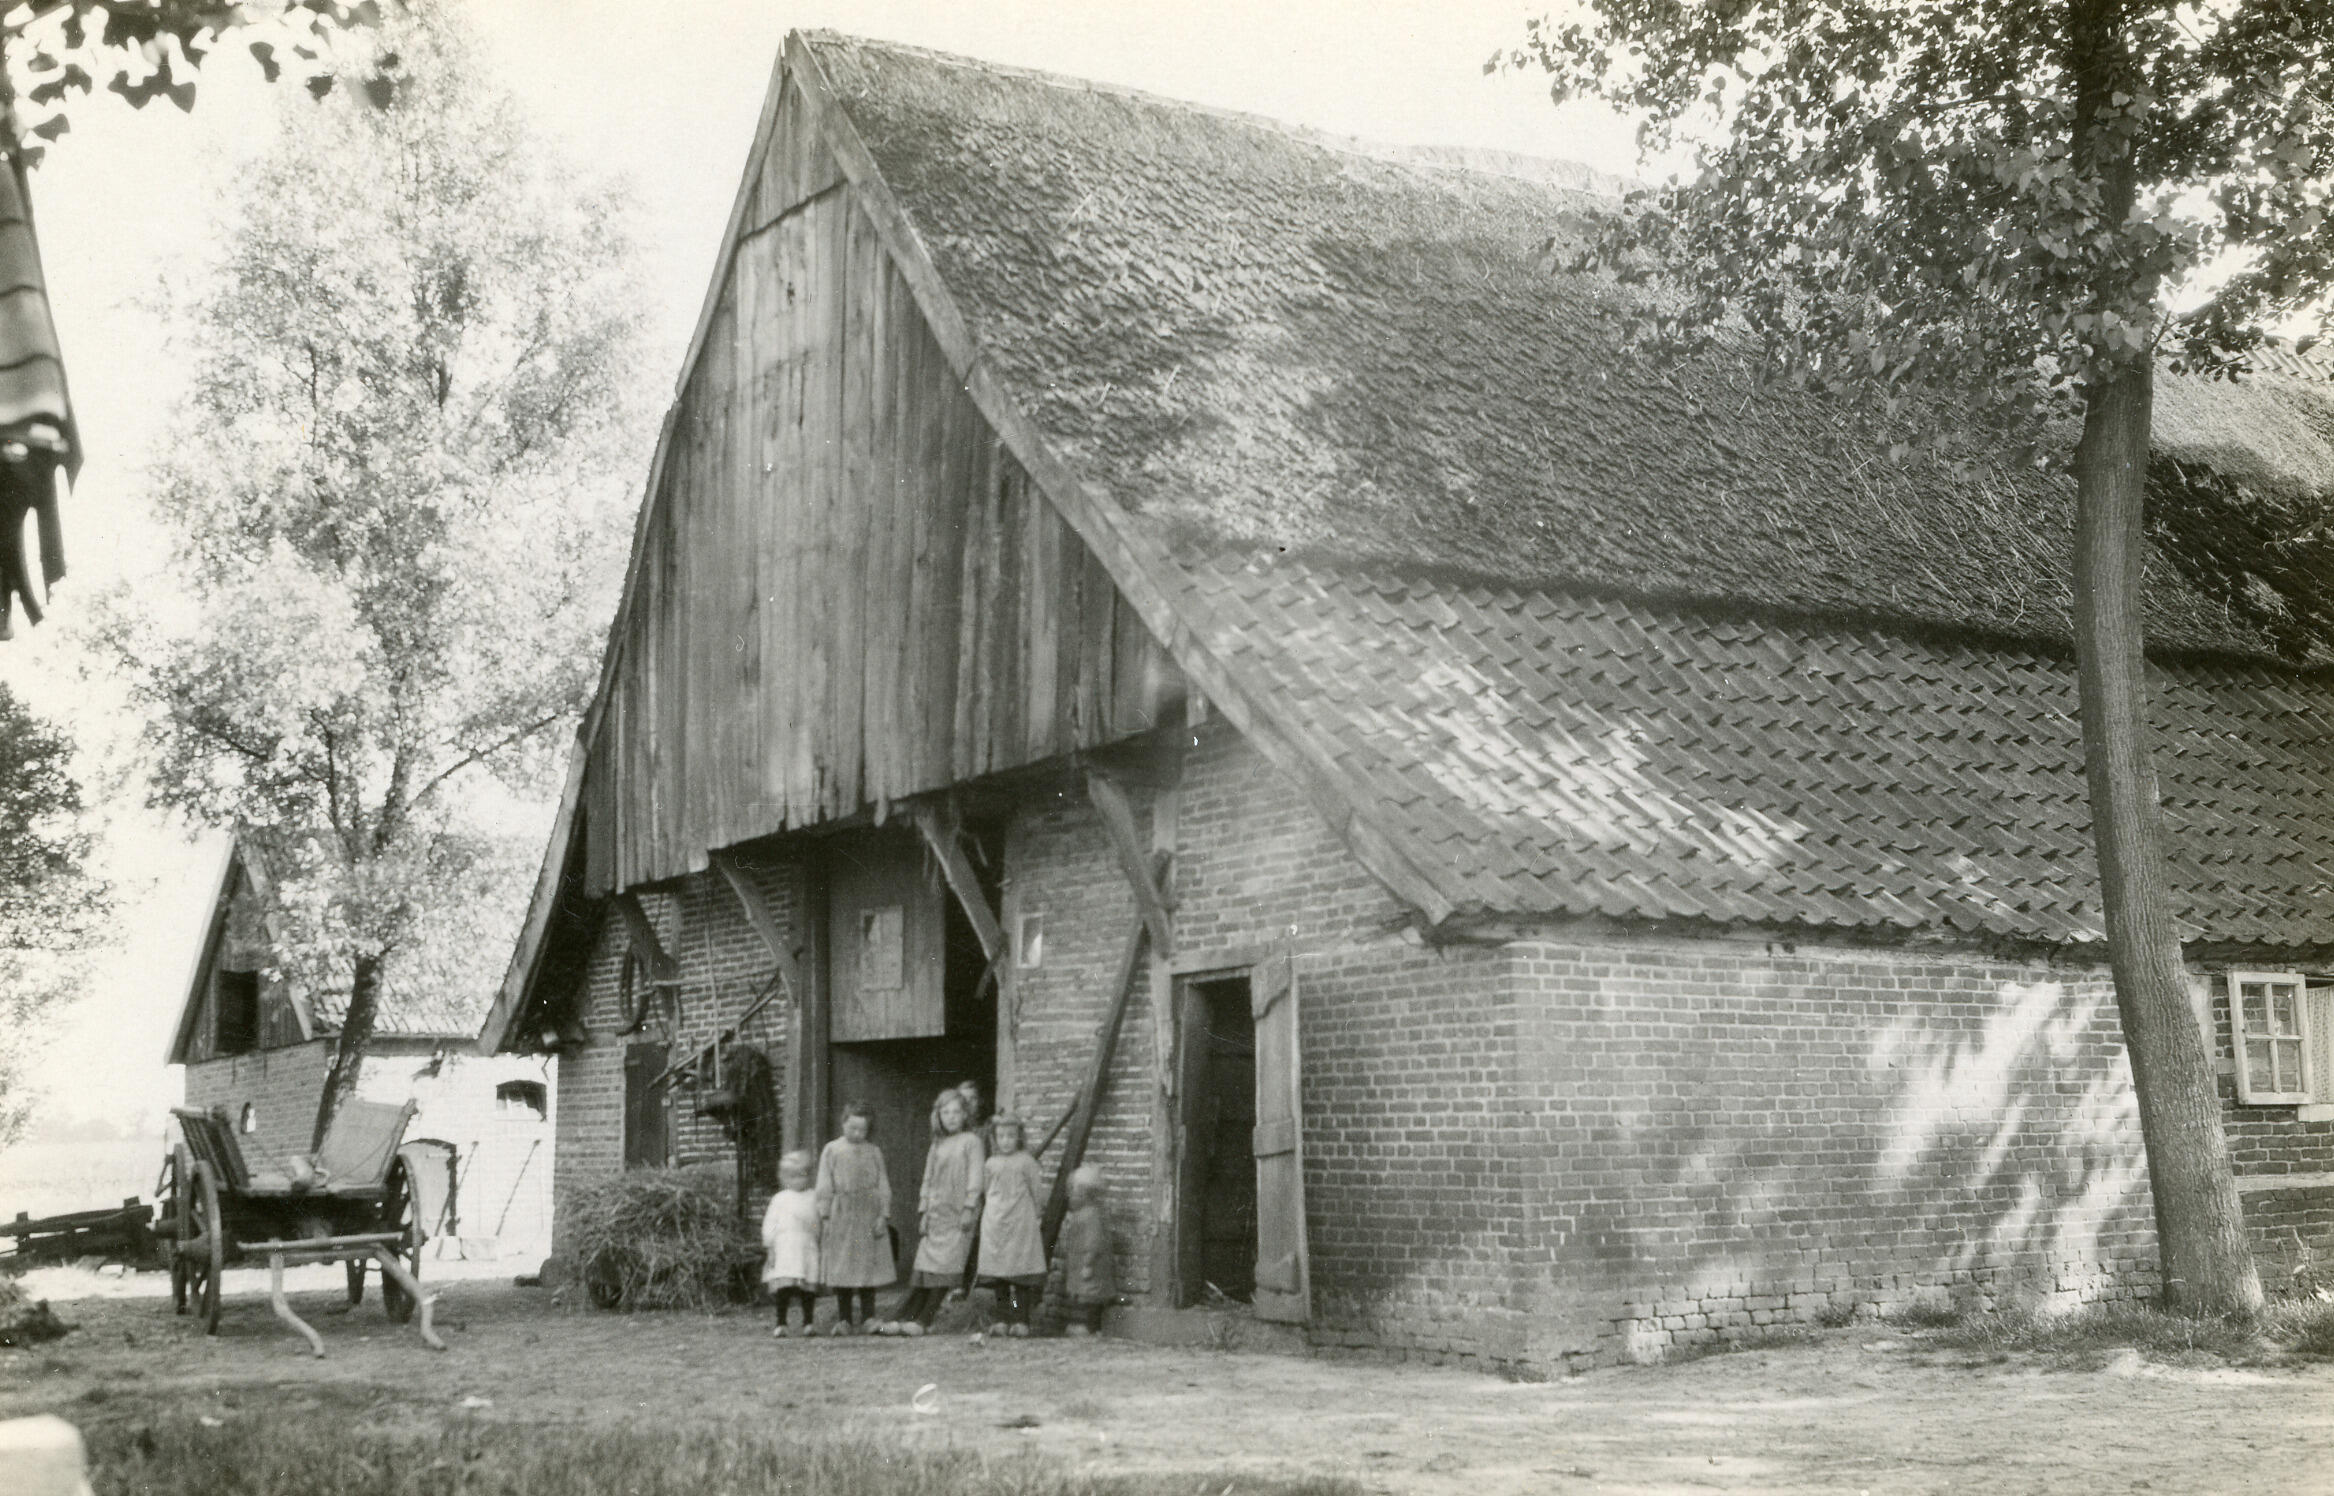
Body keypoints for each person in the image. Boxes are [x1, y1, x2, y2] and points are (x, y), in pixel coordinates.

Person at [880, 1088, 985, 1335]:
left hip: (959, 1214)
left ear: (965, 1115)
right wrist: (924, 1210)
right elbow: (928, 1179)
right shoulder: (938, 1144)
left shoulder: (971, 1142)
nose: (951, 1117)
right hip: (937, 1213)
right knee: (926, 1266)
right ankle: (903, 1317)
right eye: (946, 1112)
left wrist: (969, 1207)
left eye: (956, 1112)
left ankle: (924, 1320)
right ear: (938, 1116)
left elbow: (976, 1177)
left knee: (946, 1267)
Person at [815, 1102, 892, 1335]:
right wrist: (825, 1215)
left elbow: (883, 1184)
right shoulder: (832, 1150)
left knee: (868, 1267)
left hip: (868, 1213)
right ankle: (844, 1319)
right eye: (853, 1128)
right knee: (843, 1266)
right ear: (843, 1124)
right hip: (842, 1214)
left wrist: (883, 1214)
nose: (857, 1134)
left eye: (862, 1130)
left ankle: (869, 1317)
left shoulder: (873, 1151)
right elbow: (824, 1184)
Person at [976, 1113, 1046, 1336]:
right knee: (1000, 1276)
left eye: (1011, 1136)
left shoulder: (1026, 1162)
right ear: (995, 1138)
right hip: (996, 1222)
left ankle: (1020, 1319)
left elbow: (1036, 1190)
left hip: (1020, 1222)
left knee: (1020, 1274)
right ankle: (1002, 1319)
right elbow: (986, 1191)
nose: (1006, 1141)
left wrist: (1038, 1213)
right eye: (1001, 1136)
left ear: (1019, 1137)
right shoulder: (990, 1163)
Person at [761, 1150, 821, 1337]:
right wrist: (770, 1248)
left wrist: (818, 1239)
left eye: (803, 1175)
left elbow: (817, 1222)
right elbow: (770, 1224)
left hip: (806, 1246)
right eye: (793, 1176)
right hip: (786, 1247)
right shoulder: (780, 1199)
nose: (798, 1180)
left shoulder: (813, 1197)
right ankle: (781, 1322)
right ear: (784, 1178)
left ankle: (808, 1322)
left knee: (808, 1286)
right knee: (784, 1285)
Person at [1057, 1164, 1115, 1336]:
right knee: (1082, 1294)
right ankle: (1084, 1324)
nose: (1071, 1196)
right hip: (1080, 1262)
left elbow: (1093, 1241)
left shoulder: (1091, 1215)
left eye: (1076, 1193)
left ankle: (1091, 1327)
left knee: (1091, 1296)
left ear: (1087, 1194)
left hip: (1090, 1263)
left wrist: (1088, 1263)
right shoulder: (1082, 1213)